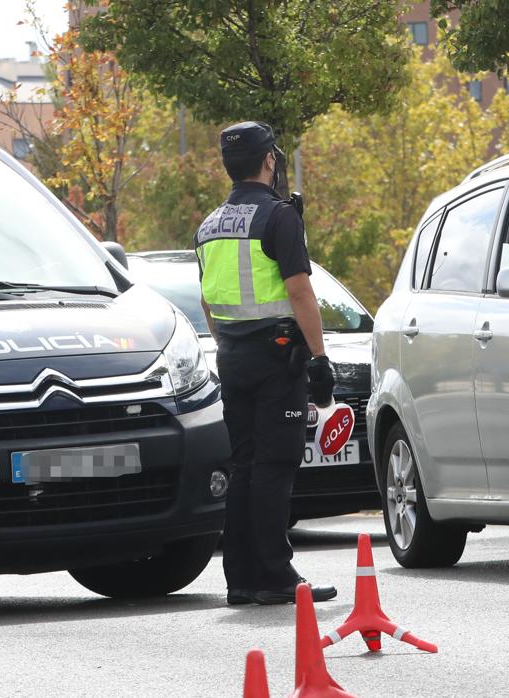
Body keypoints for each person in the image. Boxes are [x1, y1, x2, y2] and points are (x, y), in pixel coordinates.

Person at [195, 121, 338, 604]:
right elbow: (300, 290)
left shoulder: (208, 225)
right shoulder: (279, 217)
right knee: (274, 465)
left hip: (232, 355)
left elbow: (209, 302)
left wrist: (231, 345)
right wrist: (319, 357)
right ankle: (276, 575)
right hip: (278, 358)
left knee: (244, 465)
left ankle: (242, 579)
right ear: (269, 161)